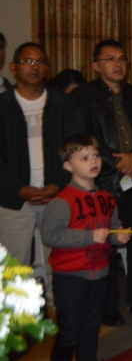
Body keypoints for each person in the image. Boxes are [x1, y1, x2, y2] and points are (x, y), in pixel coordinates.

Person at [73, 39, 132, 323]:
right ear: (96, 65)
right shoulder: (84, 96)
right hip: (104, 181)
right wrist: (117, 163)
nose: (118, 63)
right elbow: (84, 138)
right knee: (105, 244)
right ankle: (107, 305)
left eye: (122, 58)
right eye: (110, 59)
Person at [40, 134, 131, 361]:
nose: (93, 161)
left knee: (91, 327)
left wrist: (117, 236)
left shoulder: (106, 198)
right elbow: (50, 235)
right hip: (71, 277)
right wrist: (89, 238)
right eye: (84, 158)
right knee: (69, 331)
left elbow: (110, 229)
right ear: (68, 166)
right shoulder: (62, 202)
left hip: (99, 274)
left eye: (95, 155)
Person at [0, 43, 84, 277]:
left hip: (57, 196)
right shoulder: (3, 105)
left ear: (47, 68)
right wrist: (18, 188)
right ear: (14, 68)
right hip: (13, 200)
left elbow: (76, 150)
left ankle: (60, 314)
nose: (34, 66)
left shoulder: (65, 104)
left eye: (40, 62)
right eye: (27, 61)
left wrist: (58, 184)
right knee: (13, 270)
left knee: (61, 266)